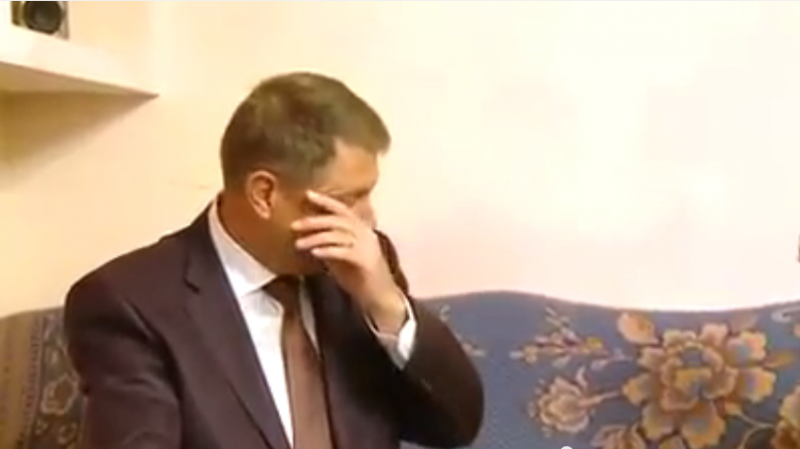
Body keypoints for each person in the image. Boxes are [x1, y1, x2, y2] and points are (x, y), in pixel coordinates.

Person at [63, 72, 484, 449]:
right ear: (264, 194)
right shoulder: (130, 303)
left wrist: (387, 304)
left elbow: (454, 428)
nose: (367, 220)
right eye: (347, 200)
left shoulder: (360, 267)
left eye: (368, 194)